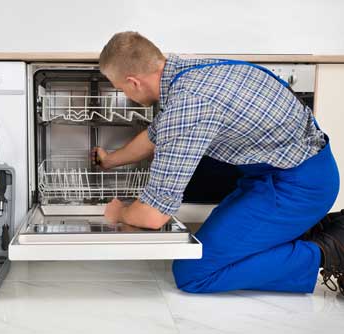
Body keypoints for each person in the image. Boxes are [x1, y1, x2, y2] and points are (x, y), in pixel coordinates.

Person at [92, 31, 343, 294]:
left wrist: (118, 212)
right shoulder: (189, 72)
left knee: (195, 274)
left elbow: (153, 216)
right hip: (276, 175)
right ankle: (309, 231)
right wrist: (110, 160)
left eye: (121, 89)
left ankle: (329, 249)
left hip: (298, 187)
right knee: (221, 252)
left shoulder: (189, 105)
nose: (126, 94)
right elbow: (155, 135)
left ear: (133, 82)